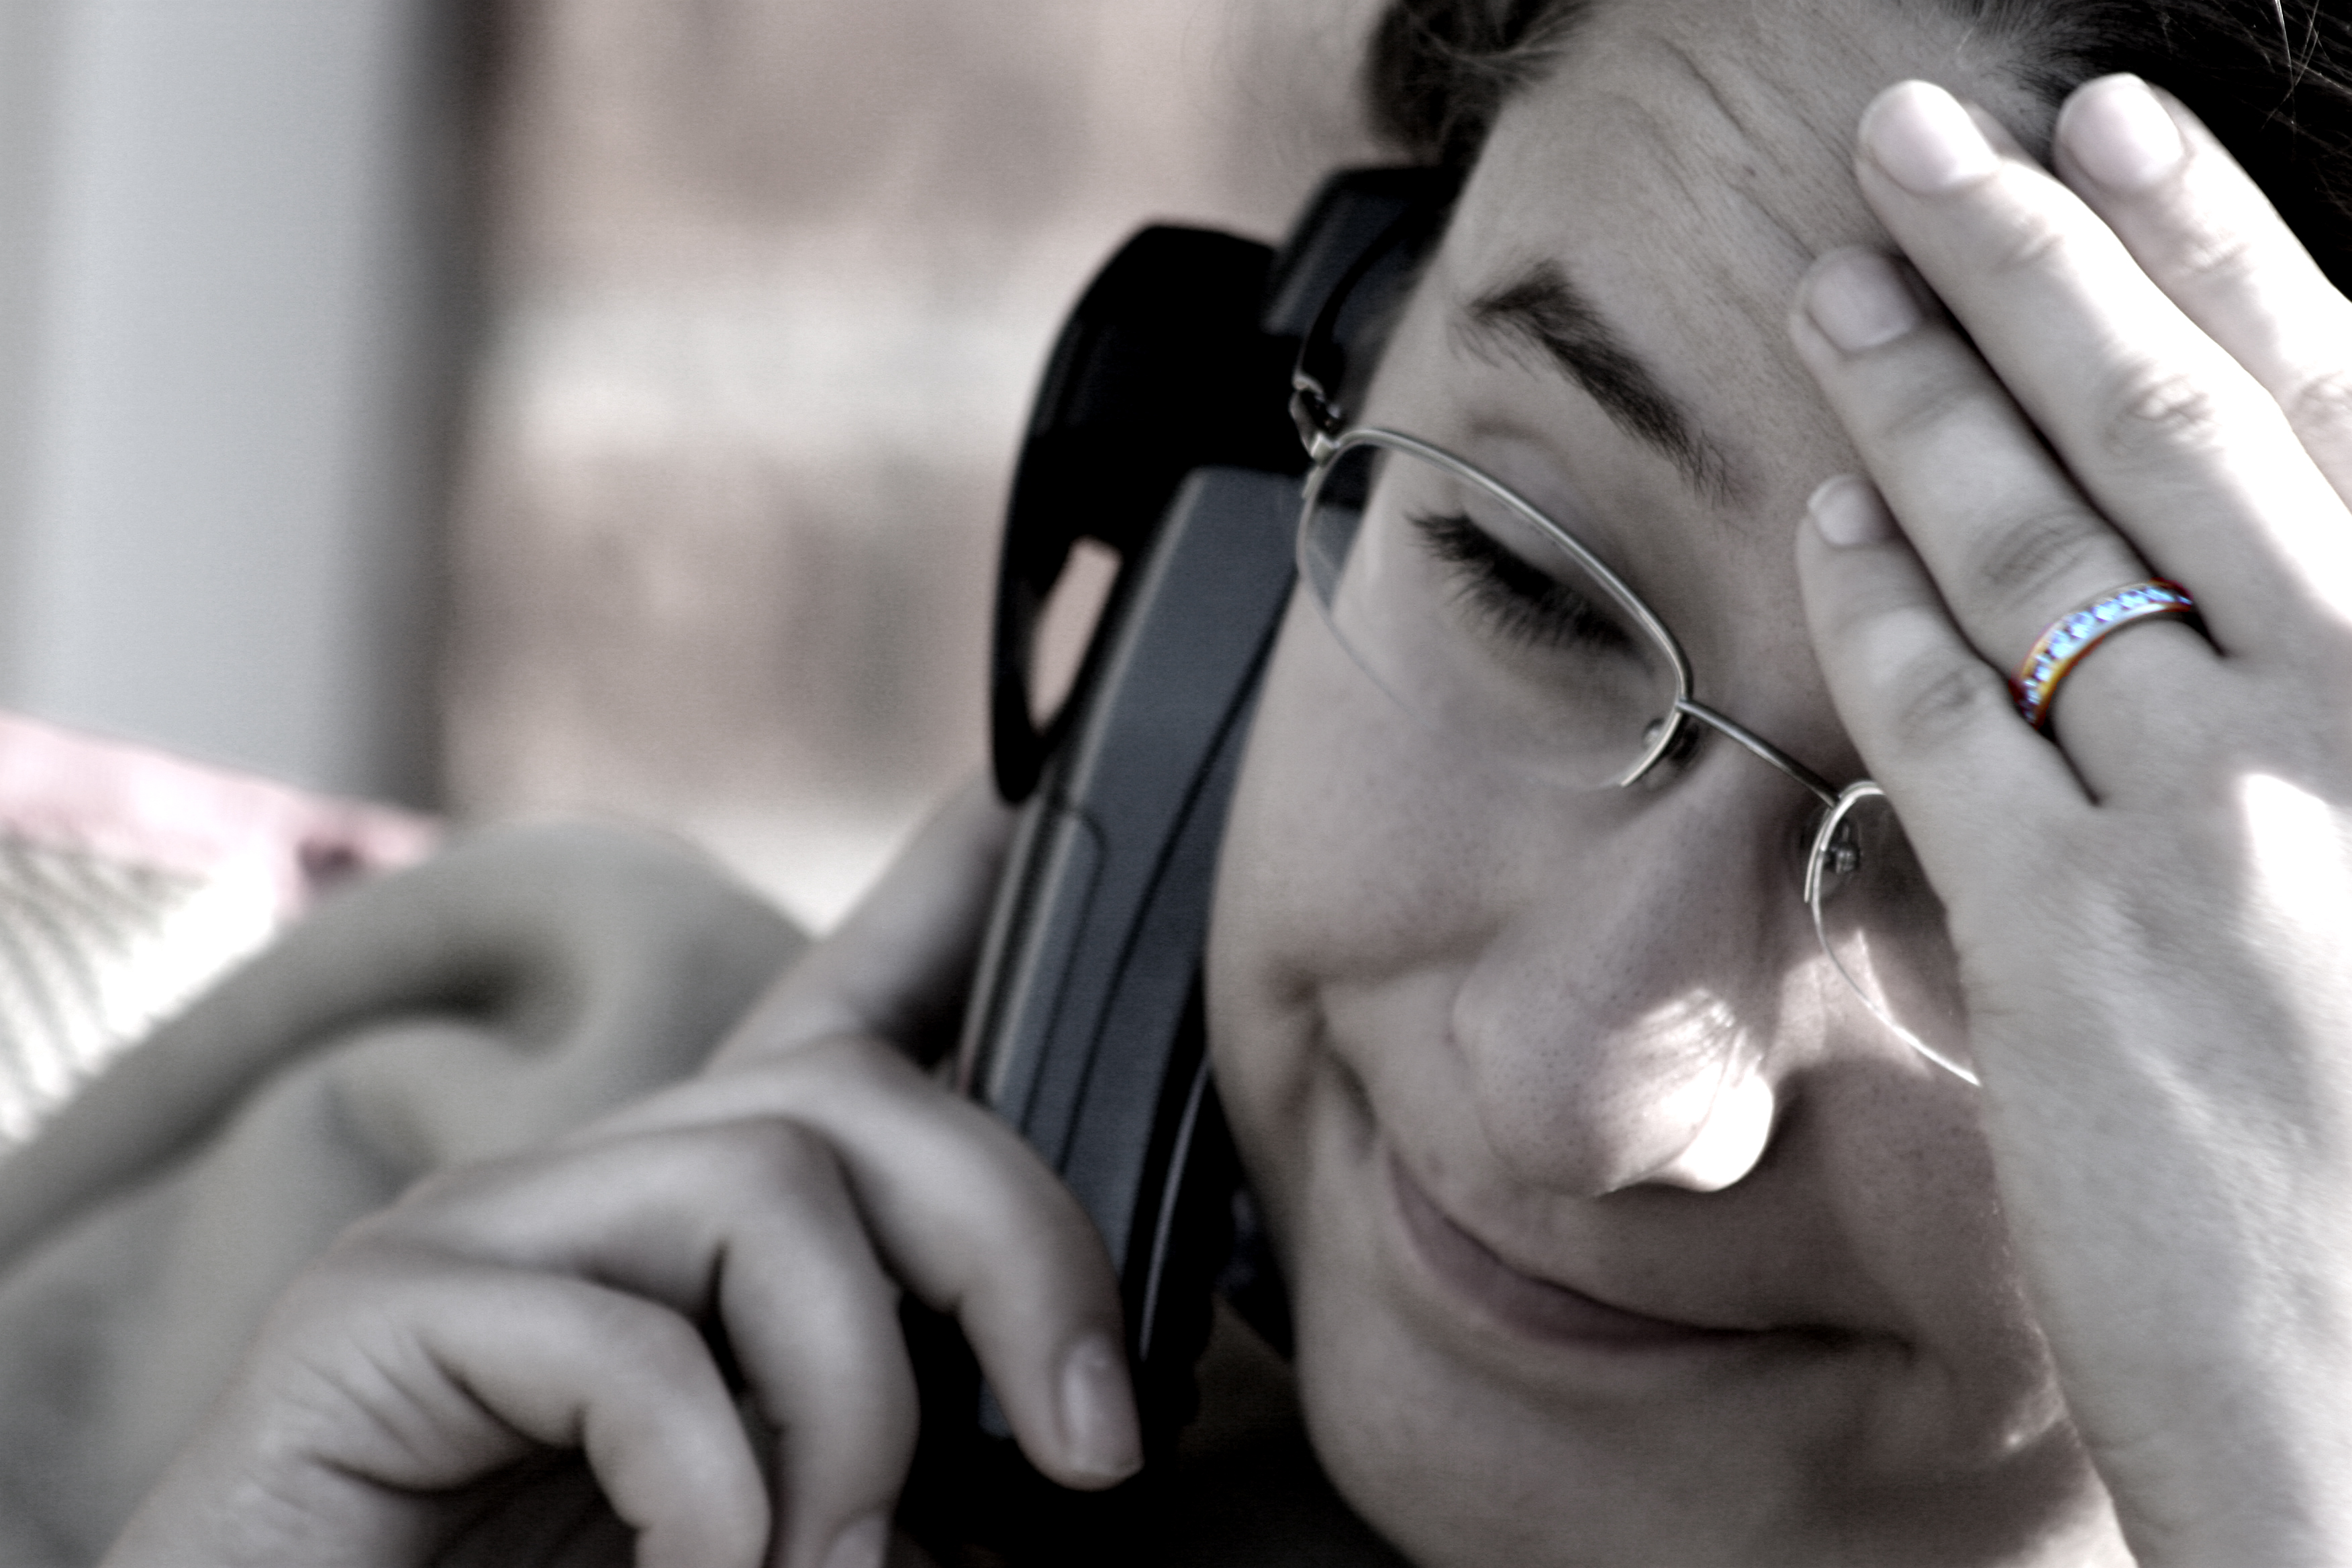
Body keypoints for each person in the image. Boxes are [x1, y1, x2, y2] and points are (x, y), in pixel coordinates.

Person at [60, 0, 2352, 1561]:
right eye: (1522, 575)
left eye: (2009, 863)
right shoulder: (354, 1231)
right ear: (1236, 479)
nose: (1574, 1085)